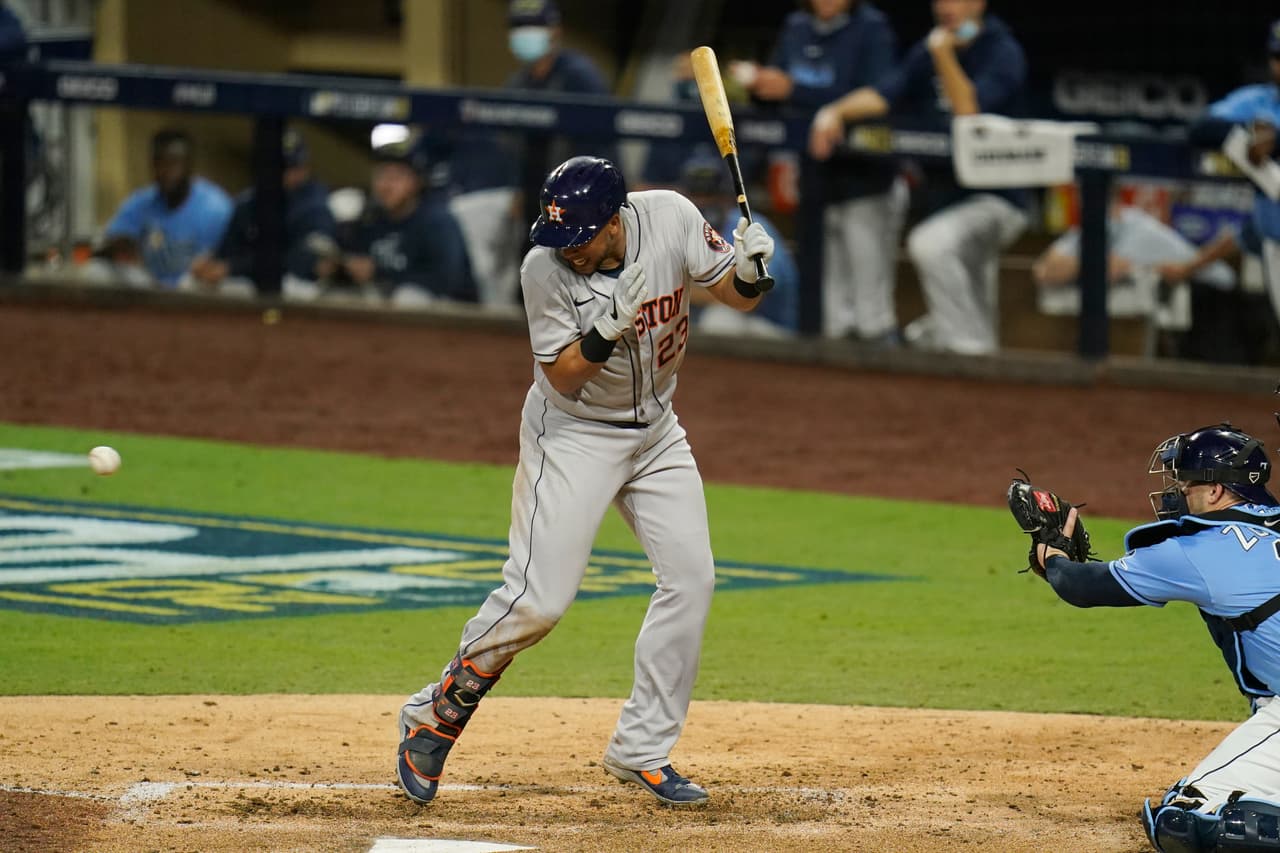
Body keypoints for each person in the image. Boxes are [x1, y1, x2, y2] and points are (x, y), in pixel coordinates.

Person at [395, 155, 775, 806]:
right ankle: (436, 712)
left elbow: (734, 296)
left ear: (613, 222)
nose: (567, 249)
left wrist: (749, 272)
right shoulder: (542, 268)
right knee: (539, 600)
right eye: (559, 236)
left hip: (656, 431)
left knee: (692, 578)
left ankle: (642, 747)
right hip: (573, 435)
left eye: (580, 237)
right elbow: (564, 375)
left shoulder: (672, 217)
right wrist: (602, 331)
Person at [1028, 424, 1280, 852]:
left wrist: (1051, 556)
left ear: (1217, 492)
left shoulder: (1201, 548)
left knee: (1188, 820)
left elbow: (1082, 586)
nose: (1177, 491)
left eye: (1185, 481)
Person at [808, 0, 1028, 355]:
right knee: (972, 284)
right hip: (946, 201)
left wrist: (943, 53)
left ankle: (966, 353)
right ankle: (980, 355)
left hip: (997, 199)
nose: (945, 7)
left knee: (932, 245)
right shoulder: (926, 52)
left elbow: (967, 111)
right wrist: (833, 112)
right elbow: (883, 95)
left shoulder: (1001, 50)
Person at [731, 0, 904, 343]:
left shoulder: (873, 29)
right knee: (831, 312)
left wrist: (795, 89)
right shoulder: (797, 27)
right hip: (815, 177)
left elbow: (878, 97)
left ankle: (890, 387)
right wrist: (760, 84)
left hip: (866, 179)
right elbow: (779, 90)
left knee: (871, 310)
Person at [1186, 19, 1280, 344]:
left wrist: (1275, 140)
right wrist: (1248, 135)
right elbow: (1200, 129)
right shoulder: (1260, 101)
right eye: (1278, 57)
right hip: (1275, 240)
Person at [187, 128, 335, 302]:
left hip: (296, 290)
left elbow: (300, 262)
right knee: (190, 283)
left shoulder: (315, 208)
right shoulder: (248, 202)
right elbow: (226, 251)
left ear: (304, 169)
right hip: (244, 285)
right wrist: (210, 263)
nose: (284, 175)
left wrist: (232, 268)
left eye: (291, 167)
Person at [338, 132, 476, 308]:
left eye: (395, 177)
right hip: (391, 304)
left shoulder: (437, 221)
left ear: (415, 183)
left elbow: (446, 280)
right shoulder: (371, 220)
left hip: (454, 315)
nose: (385, 185)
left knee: (409, 296)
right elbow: (356, 262)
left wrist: (379, 273)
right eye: (381, 176)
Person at [91, 128, 233, 288]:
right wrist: (121, 247)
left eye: (174, 163)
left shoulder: (215, 206)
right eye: (160, 163)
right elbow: (112, 243)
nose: (166, 171)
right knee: (96, 271)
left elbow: (218, 262)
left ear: (189, 166)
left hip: (194, 289)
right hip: (149, 285)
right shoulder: (141, 201)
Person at [680, 153, 800, 337]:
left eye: (709, 194)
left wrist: (679, 289)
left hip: (775, 330)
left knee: (718, 320)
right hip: (741, 323)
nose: (702, 202)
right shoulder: (690, 230)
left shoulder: (750, 226)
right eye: (696, 194)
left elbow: (752, 297)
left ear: (725, 196)